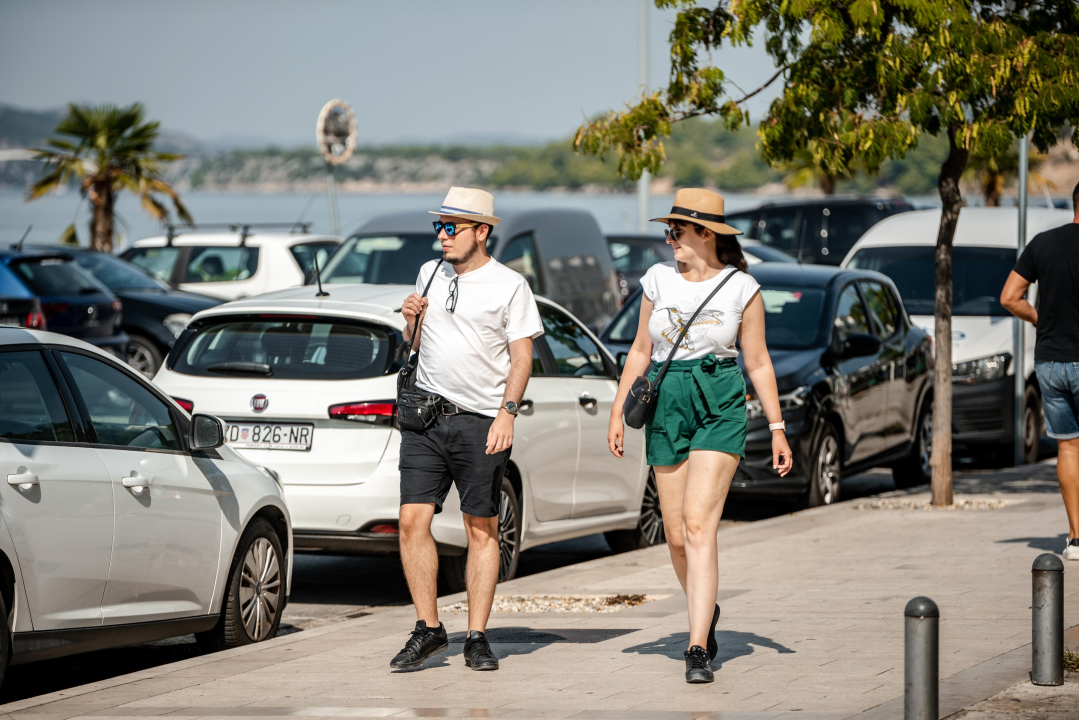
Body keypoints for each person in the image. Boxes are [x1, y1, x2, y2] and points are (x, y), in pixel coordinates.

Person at [607, 188, 793, 684]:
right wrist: (616, 411)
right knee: (673, 534)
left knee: (697, 525)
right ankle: (704, 609)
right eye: (669, 232)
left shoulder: (741, 289)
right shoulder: (657, 280)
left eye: (678, 232)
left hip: (719, 399)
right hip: (666, 400)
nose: (670, 241)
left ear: (705, 234)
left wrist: (777, 429)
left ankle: (695, 646)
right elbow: (641, 350)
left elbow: (757, 361)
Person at [391, 187, 544, 671]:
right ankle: (429, 629)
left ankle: (477, 636)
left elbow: (523, 357)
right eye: (439, 226)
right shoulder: (429, 273)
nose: (442, 235)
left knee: (481, 527)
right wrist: (409, 322)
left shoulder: (510, 286)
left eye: (451, 227)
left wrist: (508, 412)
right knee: (411, 520)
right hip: (426, 418)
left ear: (482, 231)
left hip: (481, 421)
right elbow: (414, 345)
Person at [1001, 180, 1079, 561]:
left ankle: (1077, 538)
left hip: (1049, 361)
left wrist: (1039, 318)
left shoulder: (1042, 243)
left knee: (1068, 446)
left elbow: (1009, 297)